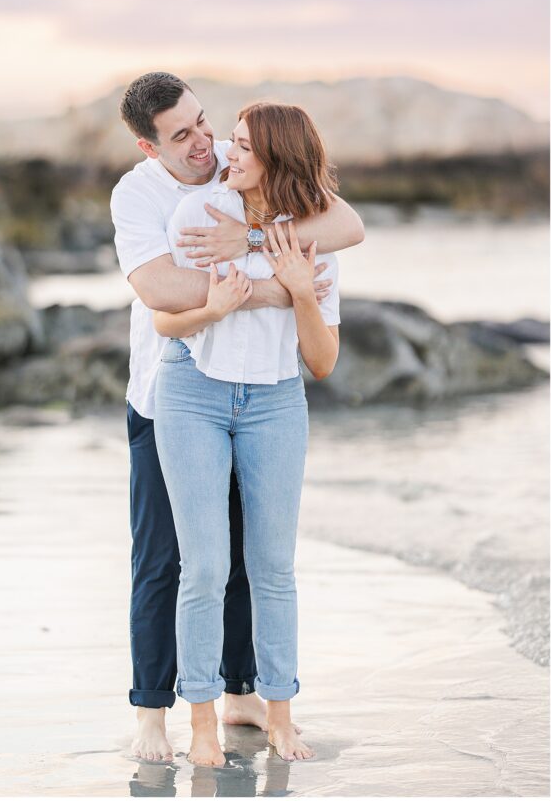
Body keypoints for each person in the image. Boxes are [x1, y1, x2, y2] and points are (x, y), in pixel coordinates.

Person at [110, 73, 364, 763]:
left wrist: (258, 246)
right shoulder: (143, 194)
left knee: (256, 563)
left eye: (205, 124)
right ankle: (153, 710)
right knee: (172, 561)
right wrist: (274, 289)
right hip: (168, 391)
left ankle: (245, 692)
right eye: (182, 135)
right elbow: (161, 292)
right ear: (148, 144)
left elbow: (344, 226)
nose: (208, 145)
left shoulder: (234, 163)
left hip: (267, 392)